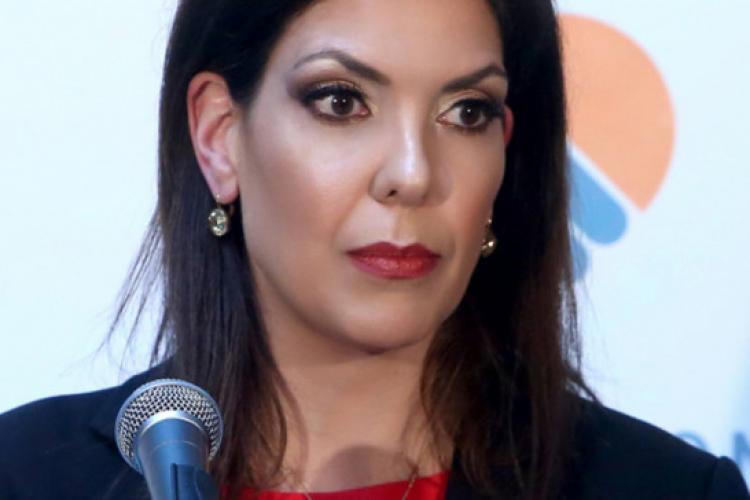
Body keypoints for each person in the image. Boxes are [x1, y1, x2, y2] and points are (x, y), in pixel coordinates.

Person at [0, 0, 748, 499]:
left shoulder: (668, 489)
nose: (414, 175)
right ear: (220, 137)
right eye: (341, 101)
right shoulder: (27, 476)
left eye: (466, 112)